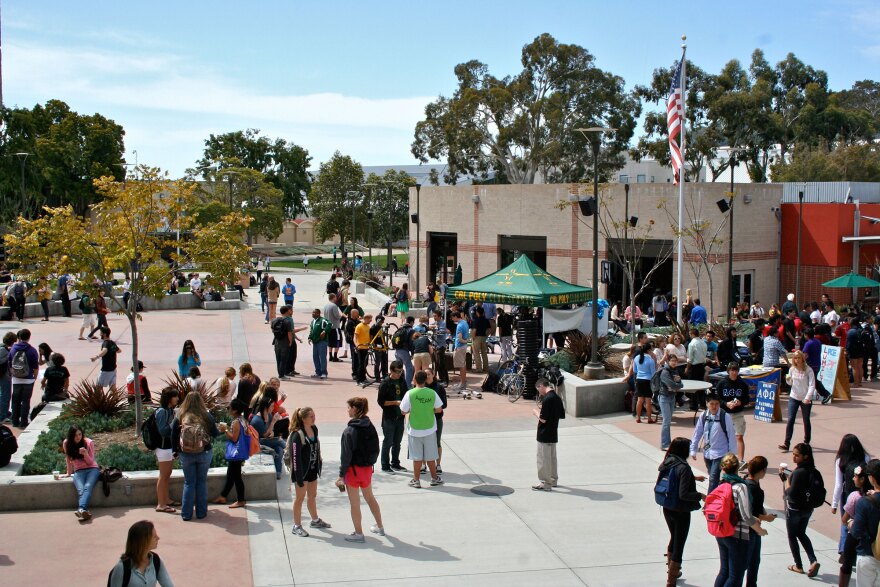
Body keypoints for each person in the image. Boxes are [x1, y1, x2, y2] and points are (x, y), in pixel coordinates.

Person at [657, 437, 706, 586]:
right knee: (680, 543)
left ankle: (672, 571)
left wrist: (693, 478)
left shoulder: (668, 460)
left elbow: (674, 478)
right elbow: (683, 494)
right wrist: (701, 496)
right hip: (680, 511)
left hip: (667, 507)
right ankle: (671, 580)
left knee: (674, 537)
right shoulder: (684, 467)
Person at [336, 397, 384, 542]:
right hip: (367, 469)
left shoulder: (349, 431)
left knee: (355, 503)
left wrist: (341, 475)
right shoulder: (370, 426)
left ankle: (358, 533)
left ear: (355, 409)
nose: (348, 410)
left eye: (349, 407)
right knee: (370, 498)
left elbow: (346, 456)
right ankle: (380, 526)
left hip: (353, 471)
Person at [714, 454, 767, 587]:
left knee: (724, 572)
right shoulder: (740, 487)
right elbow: (746, 516)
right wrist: (760, 530)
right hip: (737, 536)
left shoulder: (722, 483)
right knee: (735, 577)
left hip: (721, 532)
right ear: (738, 467)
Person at [172, 392, 221, 521]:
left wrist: (175, 451)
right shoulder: (206, 416)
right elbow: (215, 434)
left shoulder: (181, 415)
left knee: (189, 483)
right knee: (201, 482)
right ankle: (201, 513)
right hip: (204, 452)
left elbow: (172, 433)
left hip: (186, 454)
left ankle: (186, 514)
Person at [286, 407, 331, 537]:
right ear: (303, 418)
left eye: (314, 415)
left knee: (312, 495)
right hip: (301, 472)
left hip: (312, 469)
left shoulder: (314, 429)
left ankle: (315, 520)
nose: (314, 418)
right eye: (311, 416)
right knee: (299, 499)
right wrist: (299, 478)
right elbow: (295, 457)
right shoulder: (297, 434)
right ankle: (297, 526)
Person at [782, 443, 822, 577]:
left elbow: (791, 494)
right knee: (801, 533)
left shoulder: (798, 473)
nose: (794, 457)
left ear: (805, 456)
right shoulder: (814, 472)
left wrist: (787, 481)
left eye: (797, 455)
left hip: (794, 509)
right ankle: (813, 560)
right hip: (808, 509)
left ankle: (798, 565)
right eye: (793, 454)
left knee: (792, 535)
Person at [400, 370, 443, 488]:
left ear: (415, 379)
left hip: (414, 429)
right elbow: (439, 409)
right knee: (431, 456)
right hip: (429, 428)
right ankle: (434, 478)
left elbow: (403, 411)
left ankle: (416, 480)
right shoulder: (432, 393)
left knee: (417, 457)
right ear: (425, 380)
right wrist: (429, 410)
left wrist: (413, 410)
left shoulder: (410, 393)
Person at [689, 392, 736, 493]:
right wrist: (693, 449)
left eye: (717, 404)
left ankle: (709, 503)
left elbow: (731, 435)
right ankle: (719, 494)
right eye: (712, 404)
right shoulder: (704, 415)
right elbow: (697, 433)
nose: (714, 407)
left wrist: (732, 454)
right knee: (712, 477)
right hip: (707, 453)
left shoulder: (725, 416)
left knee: (713, 478)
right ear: (707, 404)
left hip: (720, 453)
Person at [107, 520, 173, 587]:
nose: (158, 538)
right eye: (154, 536)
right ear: (143, 541)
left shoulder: (157, 561)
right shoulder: (121, 568)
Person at [744, 456, 777, 587]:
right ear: (762, 470)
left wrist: (763, 512)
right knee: (751, 562)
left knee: (753, 561)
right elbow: (751, 513)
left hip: (750, 528)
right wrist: (766, 518)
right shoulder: (753, 487)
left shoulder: (747, 482)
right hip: (752, 529)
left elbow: (756, 507)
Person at [57, 424, 100, 520]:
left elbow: (90, 462)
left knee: (87, 487)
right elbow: (68, 458)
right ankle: (84, 511)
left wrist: (85, 454)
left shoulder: (89, 443)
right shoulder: (66, 443)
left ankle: (81, 509)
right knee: (81, 489)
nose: (78, 437)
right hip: (79, 471)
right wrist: (68, 473)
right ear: (71, 436)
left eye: (80, 434)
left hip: (92, 469)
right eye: (75, 435)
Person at [212, 398, 250, 508]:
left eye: (229, 408)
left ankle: (241, 500)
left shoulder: (236, 422)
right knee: (230, 474)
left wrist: (225, 430)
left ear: (234, 410)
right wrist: (229, 429)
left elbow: (234, 438)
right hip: (240, 452)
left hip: (236, 454)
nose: (228, 410)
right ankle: (223, 496)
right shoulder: (242, 420)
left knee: (237, 477)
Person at [848, 459, 880, 585]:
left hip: (868, 554)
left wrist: (851, 524)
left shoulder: (865, 502)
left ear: (871, 478)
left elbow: (856, 532)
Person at [838, 463, 870, 586]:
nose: (853, 478)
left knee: (847, 564)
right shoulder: (873, 496)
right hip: (872, 537)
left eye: (855, 476)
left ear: (862, 479)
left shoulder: (855, 497)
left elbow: (844, 519)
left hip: (855, 536)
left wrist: (851, 521)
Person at [532, 378, 566, 491]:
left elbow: (543, 419)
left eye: (538, 389)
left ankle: (545, 483)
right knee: (552, 458)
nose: (539, 392)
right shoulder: (557, 397)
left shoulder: (547, 399)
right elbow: (561, 414)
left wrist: (536, 413)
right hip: (553, 432)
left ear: (541, 385)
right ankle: (553, 479)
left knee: (543, 458)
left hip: (544, 433)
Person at [779, 351, 816, 452]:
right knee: (790, 420)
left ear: (802, 358)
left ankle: (806, 441)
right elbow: (790, 383)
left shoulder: (808, 370)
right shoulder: (792, 369)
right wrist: (788, 379)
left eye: (799, 358)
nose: (797, 360)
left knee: (806, 420)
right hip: (794, 396)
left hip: (805, 398)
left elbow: (812, 385)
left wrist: (808, 397)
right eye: (795, 358)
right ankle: (786, 443)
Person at [716, 362, 750, 466]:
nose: (734, 373)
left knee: (739, 436)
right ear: (728, 371)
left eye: (735, 370)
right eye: (732, 370)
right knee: (724, 437)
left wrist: (741, 402)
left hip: (738, 414)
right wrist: (726, 403)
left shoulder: (742, 384)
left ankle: (741, 461)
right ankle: (725, 459)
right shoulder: (722, 383)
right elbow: (717, 399)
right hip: (725, 414)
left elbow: (747, 399)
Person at [153, 387, 180, 514]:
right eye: (175, 396)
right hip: (163, 447)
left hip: (168, 447)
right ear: (169, 398)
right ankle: (161, 504)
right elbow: (163, 431)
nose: (177, 399)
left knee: (167, 475)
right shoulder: (162, 412)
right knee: (163, 476)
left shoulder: (169, 410)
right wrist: (174, 423)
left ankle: (166, 499)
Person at [250, 391, 286, 479]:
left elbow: (270, 431)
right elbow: (265, 435)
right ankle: (288, 449)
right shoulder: (257, 420)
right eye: (272, 406)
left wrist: (273, 432)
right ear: (266, 407)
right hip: (259, 442)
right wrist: (274, 422)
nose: (273, 408)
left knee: (279, 449)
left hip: (267, 440)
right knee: (280, 442)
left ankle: (278, 472)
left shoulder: (269, 415)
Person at [9, 328, 39, 428]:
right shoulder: (32, 350)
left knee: (15, 400)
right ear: (29, 337)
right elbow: (35, 366)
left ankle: (14, 421)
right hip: (28, 379)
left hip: (16, 378)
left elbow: (9, 363)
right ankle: (24, 422)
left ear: (19, 337)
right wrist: (34, 376)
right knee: (26, 401)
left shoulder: (13, 348)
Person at [424, 368, 447, 473]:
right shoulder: (421, 387)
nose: (427, 376)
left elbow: (444, 404)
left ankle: (438, 465)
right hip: (424, 419)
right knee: (424, 442)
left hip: (437, 419)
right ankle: (423, 465)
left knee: (437, 442)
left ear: (433, 375)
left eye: (429, 374)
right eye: (425, 375)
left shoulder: (439, 387)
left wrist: (433, 409)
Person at [658, 355, 684, 451]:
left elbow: (681, 384)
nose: (674, 362)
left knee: (668, 421)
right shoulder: (665, 372)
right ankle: (664, 444)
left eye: (675, 361)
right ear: (668, 361)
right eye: (672, 361)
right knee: (666, 421)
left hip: (672, 397)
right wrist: (676, 385)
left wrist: (676, 385)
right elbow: (671, 384)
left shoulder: (675, 371)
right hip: (664, 398)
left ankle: (668, 443)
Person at [802, 327, 833, 404]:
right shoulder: (818, 341)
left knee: (813, 381)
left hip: (811, 364)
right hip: (817, 364)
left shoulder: (808, 343)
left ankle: (826, 394)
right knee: (813, 380)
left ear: (806, 335)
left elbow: (805, 355)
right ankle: (824, 394)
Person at [633, 343, 657, 424]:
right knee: (648, 401)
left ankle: (638, 418)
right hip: (647, 381)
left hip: (639, 380)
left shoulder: (636, 358)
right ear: (649, 350)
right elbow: (653, 373)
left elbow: (635, 371)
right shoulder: (650, 360)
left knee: (639, 400)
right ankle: (649, 419)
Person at [308, 308, 331, 379]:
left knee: (322, 357)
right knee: (315, 357)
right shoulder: (312, 321)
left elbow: (330, 324)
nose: (313, 314)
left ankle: (324, 372)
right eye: (312, 312)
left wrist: (324, 331)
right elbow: (311, 331)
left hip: (322, 341)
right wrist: (309, 337)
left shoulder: (322, 320)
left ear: (318, 313)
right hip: (315, 342)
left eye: (314, 313)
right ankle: (318, 372)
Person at [272, 305, 294, 380]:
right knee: (283, 359)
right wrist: (290, 342)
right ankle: (282, 375)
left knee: (278, 359)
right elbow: (289, 333)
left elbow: (272, 329)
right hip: (285, 342)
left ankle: (280, 374)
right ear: (287, 311)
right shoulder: (287, 321)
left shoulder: (274, 320)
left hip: (277, 342)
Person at [451, 311, 470, 390]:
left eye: (452, 317)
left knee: (461, 366)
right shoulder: (464, 322)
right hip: (463, 347)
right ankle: (463, 382)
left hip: (460, 347)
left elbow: (460, 339)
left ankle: (462, 384)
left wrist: (465, 341)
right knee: (463, 364)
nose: (452, 319)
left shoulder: (460, 326)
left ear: (456, 316)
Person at [323, 294, 343, 363]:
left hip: (328, 327)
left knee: (330, 342)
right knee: (338, 341)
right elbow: (337, 316)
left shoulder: (326, 306)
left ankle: (330, 356)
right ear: (334, 297)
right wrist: (341, 315)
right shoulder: (334, 306)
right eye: (335, 297)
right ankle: (335, 356)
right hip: (335, 326)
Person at [0, 331, 15, 422]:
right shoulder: (3, 350)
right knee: (5, 395)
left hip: (3, 375)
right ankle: (2, 415)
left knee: (3, 394)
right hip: (3, 376)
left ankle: (4, 411)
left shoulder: (3, 348)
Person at [354, 313, 373, 385]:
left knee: (365, 364)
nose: (370, 321)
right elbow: (355, 337)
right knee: (361, 364)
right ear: (366, 318)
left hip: (366, 348)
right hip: (360, 348)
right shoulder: (359, 326)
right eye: (369, 319)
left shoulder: (368, 327)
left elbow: (369, 337)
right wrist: (357, 345)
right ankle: (359, 380)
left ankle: (363, 378)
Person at [845, 318, 865, 388]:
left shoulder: (851, 331)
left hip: (853, 351)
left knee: (854, 367)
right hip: (861, 350)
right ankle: (860, 382)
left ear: (852, 323)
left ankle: (856, 383)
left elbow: (848, 343)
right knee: (860, 366)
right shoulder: (862, 330)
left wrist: (847, 350)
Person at [369, 315, 389, 381]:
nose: (382, 323)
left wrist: (386, 345)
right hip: (377, 347)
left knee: (385, 361)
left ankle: (385, 375)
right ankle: (377, 377)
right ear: (378, 320)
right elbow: (371, 338)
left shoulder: (381, 327)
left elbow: (382, 336)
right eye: (381, 321)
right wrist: (374, 345)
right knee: (377, 362)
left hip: (383, 346)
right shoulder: (373, 328)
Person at [471, 306, 490, 373]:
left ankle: (479, 368)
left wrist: (473, 338)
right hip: (484, 337)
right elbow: (489, 329)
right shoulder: (486, 320)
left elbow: (474, 330)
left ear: (477, 312)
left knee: (476, 353)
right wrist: (486, 335)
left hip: (477, 337)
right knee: (484, 353)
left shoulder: (476, 320)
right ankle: (486, 368)